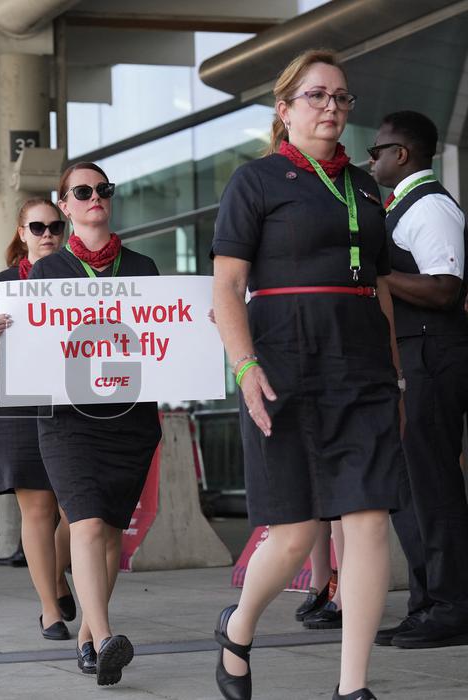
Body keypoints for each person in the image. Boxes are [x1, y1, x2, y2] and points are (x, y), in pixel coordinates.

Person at [211, 49, 405, 700]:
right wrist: (244, 368)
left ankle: (353, 688)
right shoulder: (256, 182)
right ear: (285, 108)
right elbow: (227, 289)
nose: (332, 109)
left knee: (368, 516)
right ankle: (238, 629)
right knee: (296, 531)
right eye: (318, 96)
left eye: (342, 98)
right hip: (282, 362)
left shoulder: (365, 186)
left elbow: (377, 286)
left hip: (362, 363)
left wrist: (397, 379)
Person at [23, 171, 163, 686]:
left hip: (130, 419)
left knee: (107, 532)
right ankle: (106, 637)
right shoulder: (48, 271)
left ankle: (87, 638)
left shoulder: (144, 268)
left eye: (104, 190)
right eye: (82, 192)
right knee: (82, 523)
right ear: (65, 205)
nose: (95, 198)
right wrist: (2, 333)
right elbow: (31, 346)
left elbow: (163, 333)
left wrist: (201, 324)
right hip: (68, 420)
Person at [368, 110, 468, 649]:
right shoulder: (402, 205)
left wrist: (379, 276)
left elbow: (445, 288)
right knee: (411, 488)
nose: (371, 158)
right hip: (413, 357)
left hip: (433, 354)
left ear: (401, 154)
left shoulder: (428, 205)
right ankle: (428, 602)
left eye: (376, 149)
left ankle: (453, 605)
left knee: (433, 485)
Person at [0, 199, 77, 644]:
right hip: (14, 406)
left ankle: (54, 575)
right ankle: (50, 609)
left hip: (73, 400)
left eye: (55, 226)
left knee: (77, 510)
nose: (47, 233)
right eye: (37, 227)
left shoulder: (78, 278)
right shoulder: (0, 284)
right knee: (36, 509)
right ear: (21, 231)